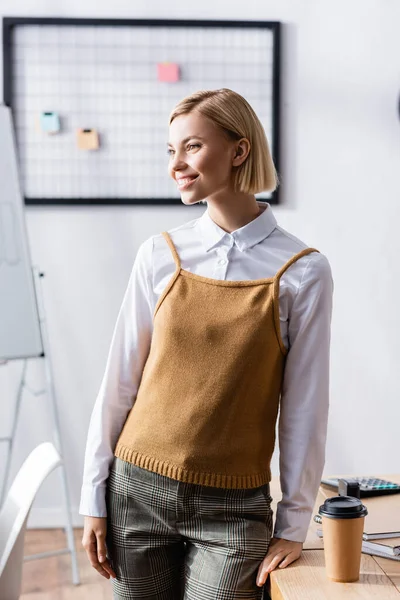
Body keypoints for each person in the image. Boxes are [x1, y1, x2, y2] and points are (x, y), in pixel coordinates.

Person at [80, 88, 333, 599]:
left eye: (191, 147)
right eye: (170, 150)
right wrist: (93, 494)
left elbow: (305, 406)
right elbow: (120, 380)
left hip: (234, 510)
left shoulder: (302, 271)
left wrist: (294, 522)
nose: (177, 164)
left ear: (239, 151)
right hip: (137, 491)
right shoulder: (160, 254)